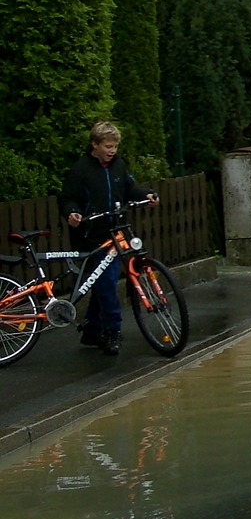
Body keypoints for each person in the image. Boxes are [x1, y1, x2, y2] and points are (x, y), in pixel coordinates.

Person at [58, 121, 159, 355]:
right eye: (108, 146)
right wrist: (71, 213)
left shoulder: (118, 166)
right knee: (106, 284)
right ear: (95, 145)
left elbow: (129, 188)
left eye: (115, 146)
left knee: (102, 284)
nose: (112, 151)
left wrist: (147, 194)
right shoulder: (80, 170)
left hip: (116, 232)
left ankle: (93, 331)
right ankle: (113, 330)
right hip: (91, 236)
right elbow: (67, 198)